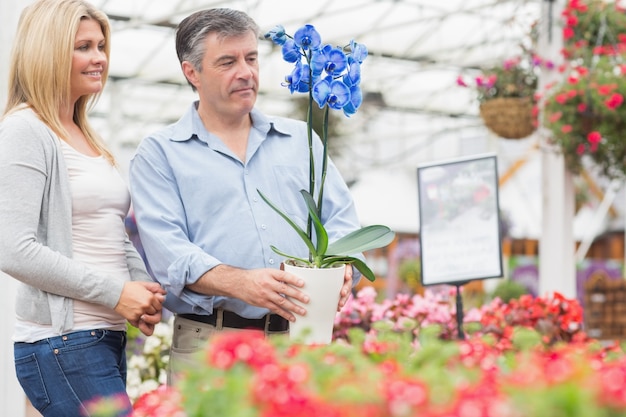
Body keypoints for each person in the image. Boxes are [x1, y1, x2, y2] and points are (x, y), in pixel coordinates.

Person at [128, 8, 363, 383]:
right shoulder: (160, 154)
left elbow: (343, 223)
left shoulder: (300, 140)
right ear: (192, 72)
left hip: (300, 342)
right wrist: (243, 283)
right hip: (212, 347)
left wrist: (343, 267)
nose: (246, 72)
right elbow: (167, 252)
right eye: (227, 61)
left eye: (251, 58)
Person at [0, 1, 166, 416]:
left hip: (99, 338)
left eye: (101, 45)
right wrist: (117, 293)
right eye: (84, 47)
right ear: (49, 52)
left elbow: (110, 231)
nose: (100, 58)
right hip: (63, 342)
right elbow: (13, 249)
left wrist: (141, 288)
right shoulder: (25, 130)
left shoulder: (83, 134)